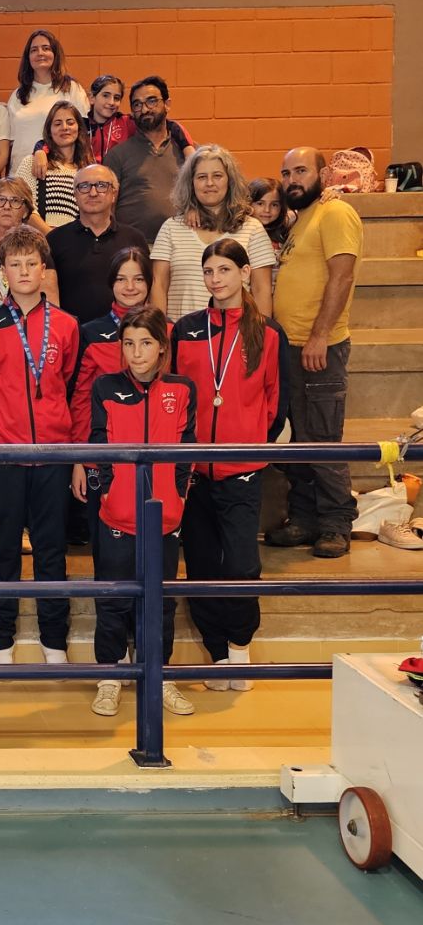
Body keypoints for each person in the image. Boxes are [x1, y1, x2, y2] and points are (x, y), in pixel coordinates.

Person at [173, 240, 287, 692]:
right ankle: (216, 651)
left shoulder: (268, 332)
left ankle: (239, 647)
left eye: (224, 269)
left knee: (241, 565)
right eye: (208, 271)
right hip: (195, 473)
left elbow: (276, 402)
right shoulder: (186, 329)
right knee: (201, 565)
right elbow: (178, 397)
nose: (215, 279)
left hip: (242, 471)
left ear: (244, 273)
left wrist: (252, 441)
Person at [0, 227, 79, 665]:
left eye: (30, 264)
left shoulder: (68, 326)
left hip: (52, 454)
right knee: (2, 550)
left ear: (43, 268)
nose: (22, 272)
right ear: (3, 272)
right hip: (4, 456)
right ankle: (1, 640)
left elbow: (68, 385)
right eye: (13, 264)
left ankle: (55, 641)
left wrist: (68, 449)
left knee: (52, 549)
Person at [86, 307, 197, 718]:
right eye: (129, 343)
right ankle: (109, 676)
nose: (136, 352)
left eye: (146, 343)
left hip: (165, 519)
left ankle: (159, 674)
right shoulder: (105, 386)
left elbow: (186, 452)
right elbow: (99, 445)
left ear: (162, 347)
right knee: (112, 601)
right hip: (117, 517)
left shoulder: (183, 389)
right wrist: (108, 493)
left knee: (160, 604)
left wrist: (179, 498)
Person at [267, 147, 363, 558]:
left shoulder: (336, 214)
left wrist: (320, 335)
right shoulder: (300, 219)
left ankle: (336, 524)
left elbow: (342, 275)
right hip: (289, 348)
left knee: (323, 440)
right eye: (286, 172)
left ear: (323, 175)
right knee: (300, 442)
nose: (292, 179)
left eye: (302, 170)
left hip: (319, 347)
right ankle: (305, 519)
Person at [69, 247, 154, 557]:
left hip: (151, 460)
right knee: (106, 553)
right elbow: (80, 401)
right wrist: (79, 458)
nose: (130, 287)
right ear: (110, 283)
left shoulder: (168, 330)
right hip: (101, 459)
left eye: (138, 279)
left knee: (151, 553)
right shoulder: (90, 333)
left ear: (149, 283)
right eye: (121, 279)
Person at [150, 144, 276, 320]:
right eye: (202, 177)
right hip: (183, 338)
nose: (210, 183)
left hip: (236, 338)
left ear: (229, 180)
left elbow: (262, 290)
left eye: (217, 176)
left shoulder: (252, 228)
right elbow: (159, 285)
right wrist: (161, 333)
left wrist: (261, 336)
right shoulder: (171, 228)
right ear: (191, 183)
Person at [46, 164, 149, 325]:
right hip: (73, 339)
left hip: (126, 337)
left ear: (114, 193)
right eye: (84, 186)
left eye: (101, 186)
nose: (93, 193)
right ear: (75, 194)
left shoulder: (134, 239)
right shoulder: (54, 240)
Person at [105, 76, 189, 242]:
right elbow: (107, 208)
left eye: (151, 101)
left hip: (181, 245)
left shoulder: (188, 153)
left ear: (167, 104)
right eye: (137, 104)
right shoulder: (117, 155)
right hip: (134, 250)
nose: (144, 110)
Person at [3, 28, 90, 175]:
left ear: (55, 54)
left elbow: (82, 134)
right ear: (28, 57)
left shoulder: (71, 88)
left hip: (57, 173)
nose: (40, 53)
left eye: (46, 48)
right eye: (34, 50)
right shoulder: (18, 95)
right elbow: (10, 144)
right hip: (20, 173)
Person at [0, 177, 59, 313]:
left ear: (25, 211)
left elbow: (51, 307)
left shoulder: (37, 249)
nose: (6, 207)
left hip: (23, 330)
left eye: (15, 201)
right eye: (1, 200)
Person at [14, 99, 92, 230]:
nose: (65, 127)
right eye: (57, 124)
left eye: (70, 122)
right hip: (34, 241)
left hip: (71, 244)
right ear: (49, 131)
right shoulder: (32, 162)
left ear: (79, 128)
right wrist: (51, 236)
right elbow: (22, 205)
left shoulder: (86, 171)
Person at [250, 176, 292, 255]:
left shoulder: (285, 230)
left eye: (274, 205)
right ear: (248, 203)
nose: (267, 210)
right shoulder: (242, 232)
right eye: (260, 204)